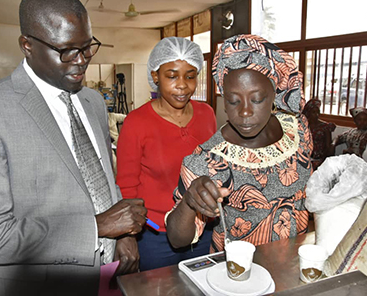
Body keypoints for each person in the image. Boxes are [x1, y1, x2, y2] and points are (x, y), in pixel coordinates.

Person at [0, 0, 147, 295]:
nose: (81, 60)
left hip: (110, 276)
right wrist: (98, 228)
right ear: (27, 45)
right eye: (67, 50)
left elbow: (104, 181)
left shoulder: (92, 102)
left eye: (87, 46)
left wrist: (124, 235)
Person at [166, 34, 313, 253]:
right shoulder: (208, 159)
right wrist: (188, 202)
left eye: (257, 99)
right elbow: (178, 239)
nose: (244, 112)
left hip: (296, 263)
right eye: (233, 101)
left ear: (275, 93)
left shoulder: (297, 129)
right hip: (240, 276)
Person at [116, 37, 217, 271]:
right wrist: (127, 235)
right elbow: (126, 187)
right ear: (155, 77)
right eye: (172, 76)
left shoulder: (207, 114)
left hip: (204, 231)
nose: (182, 85)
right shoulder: (136, 123)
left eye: (190, 76)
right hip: (156, 237)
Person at [303, 99, 336, 170]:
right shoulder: (303, 126)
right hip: (305, 157)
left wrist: (322, 161)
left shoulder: (325, 127)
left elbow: (328, 148)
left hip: (319, 159)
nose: (316, 115)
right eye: (313, 112)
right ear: (308, 113)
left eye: (318, 112)